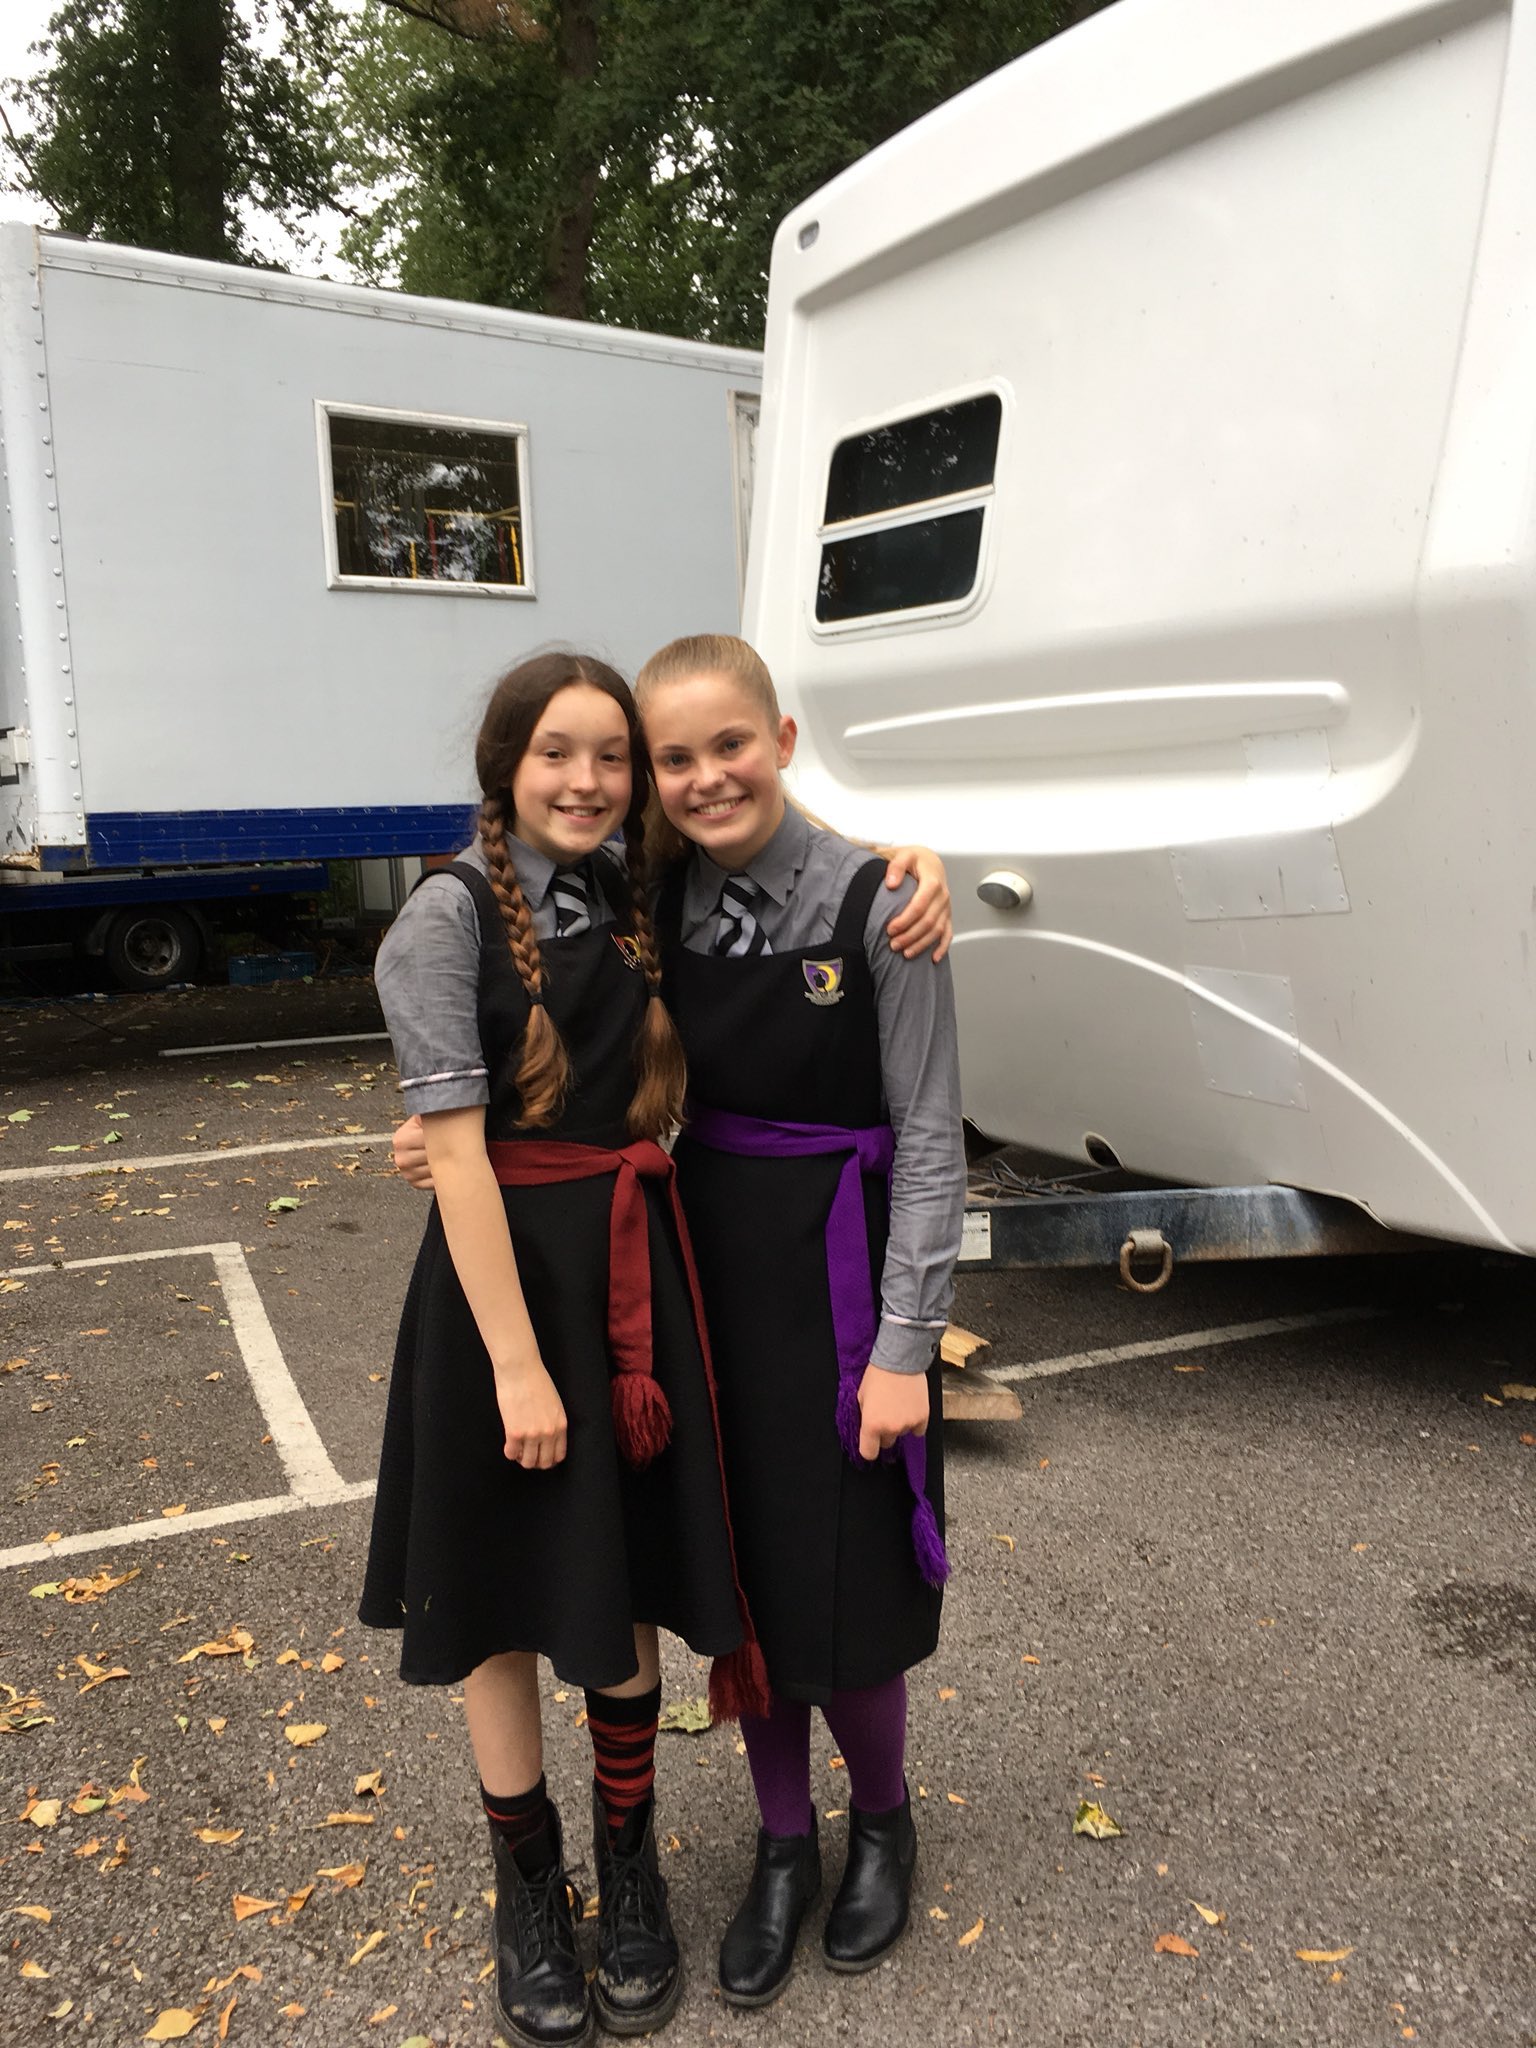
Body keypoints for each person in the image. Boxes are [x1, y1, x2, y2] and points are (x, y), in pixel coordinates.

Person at [360, 650, 771, 2048]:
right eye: (558, 753)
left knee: (620, 1572)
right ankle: (528, 1888)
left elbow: (772, 821)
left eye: (612, 755)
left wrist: (913, 861)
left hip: (626, 1276)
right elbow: (458, 1161)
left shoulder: (636, 887)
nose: (588, 781)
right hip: (500, 1300)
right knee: (494, 1593)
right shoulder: (443, 917)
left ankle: (629, 1868)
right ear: (505, 766)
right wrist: (517, 1367)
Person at [634, 633, 966, 2008]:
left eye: (731, 744)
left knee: (854, 1568)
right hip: (711, 1269)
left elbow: (932, 1137)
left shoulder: (883, 905)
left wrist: (905, 1346)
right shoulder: (656, 898)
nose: (707, 776)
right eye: (676, 758)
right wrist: (447, 1114)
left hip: (842, 1273)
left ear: (778, 737)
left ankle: (882, 1818)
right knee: (750, 1567)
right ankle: (784, 1841)